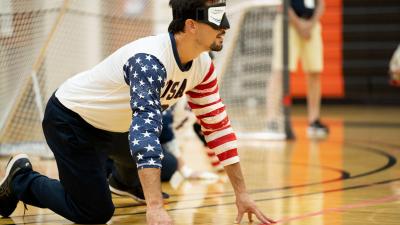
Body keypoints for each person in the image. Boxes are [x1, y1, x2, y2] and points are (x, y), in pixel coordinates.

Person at [0, 0, 276, 224]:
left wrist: (242, 193)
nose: (224, 26)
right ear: (191, 25)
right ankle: (21, 179)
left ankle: (121, 180)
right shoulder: (149, 62)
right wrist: (154, 207)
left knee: (166, 166)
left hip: (115, 127)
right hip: (72, 120)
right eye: (216, 15)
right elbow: (144, 134)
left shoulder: (203, 65)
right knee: (94, 213)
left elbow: (217, 128)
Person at [267, 0, 328, 138]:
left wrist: (310, 24)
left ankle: (314, 120)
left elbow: (321, 4)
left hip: (311, 25)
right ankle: (271, 120)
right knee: (280, 71)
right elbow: (283, 5)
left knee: (315, 71)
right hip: (288, 24)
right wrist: (300, 25)